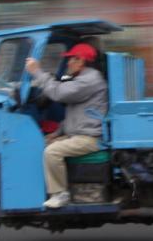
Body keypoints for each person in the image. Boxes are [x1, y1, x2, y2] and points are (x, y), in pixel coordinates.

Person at [25, 43, 107, 209]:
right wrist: (56, 133)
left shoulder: (89, 80)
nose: (68, 63)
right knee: (44, 144)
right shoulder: (83, 78)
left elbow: (58, 93)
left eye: (70, 59)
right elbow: (75, 116)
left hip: (89, 138)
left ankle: (60, 194)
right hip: (80, 134)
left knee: (52, 152)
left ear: (81, 61)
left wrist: (37, 72)